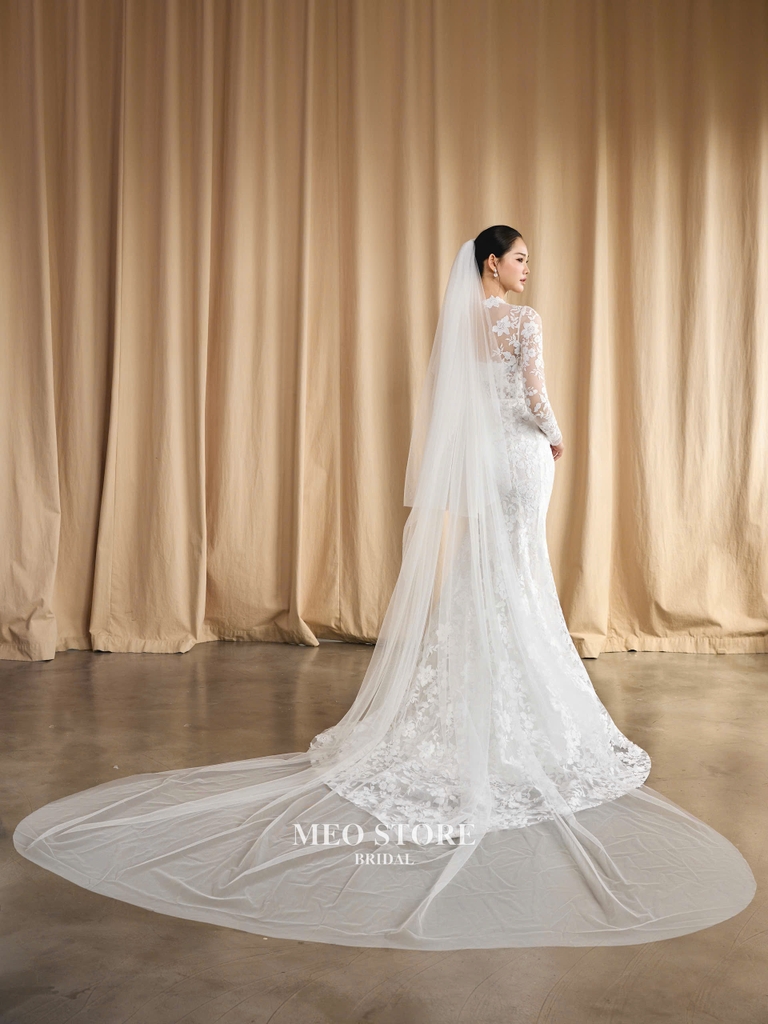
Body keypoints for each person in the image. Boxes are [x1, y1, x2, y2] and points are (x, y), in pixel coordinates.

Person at [13, 228, 755, 949]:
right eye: (519, 258)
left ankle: (477, 693)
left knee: (486, 572)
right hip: (523, 458)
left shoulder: (459, 328)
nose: (528, 269)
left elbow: (456, 408)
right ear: (491, 264)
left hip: (483, 462)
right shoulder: (522, 322)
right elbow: (534, 393)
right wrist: (557, 434)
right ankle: (521, 699)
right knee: (521, 570)